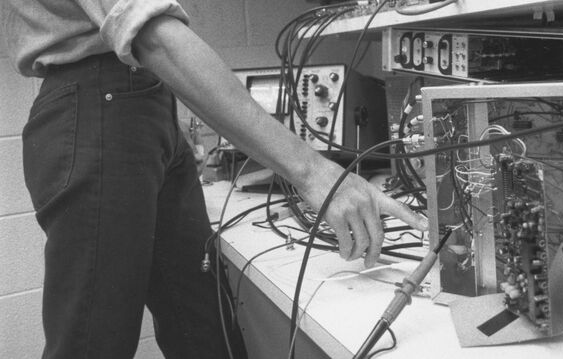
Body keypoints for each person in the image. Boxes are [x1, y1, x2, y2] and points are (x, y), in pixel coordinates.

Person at [3, 1, 428, 358]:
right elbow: (153, 36)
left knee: (204, 329)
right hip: (100, 104)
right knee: (93, 342)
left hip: (142, 102)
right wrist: (315, 172)